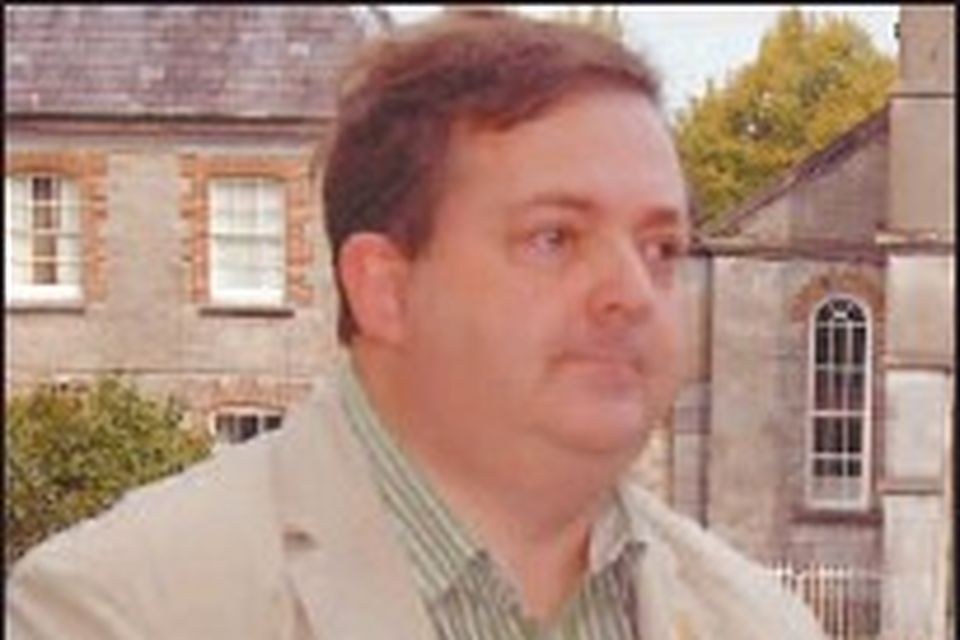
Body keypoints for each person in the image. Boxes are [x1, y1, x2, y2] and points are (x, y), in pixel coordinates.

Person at [6, 9, 826, 640]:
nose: (632, 293)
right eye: (554, 238)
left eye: (661, 247)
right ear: (384, 288)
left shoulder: (762, 623)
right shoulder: (117, 610)